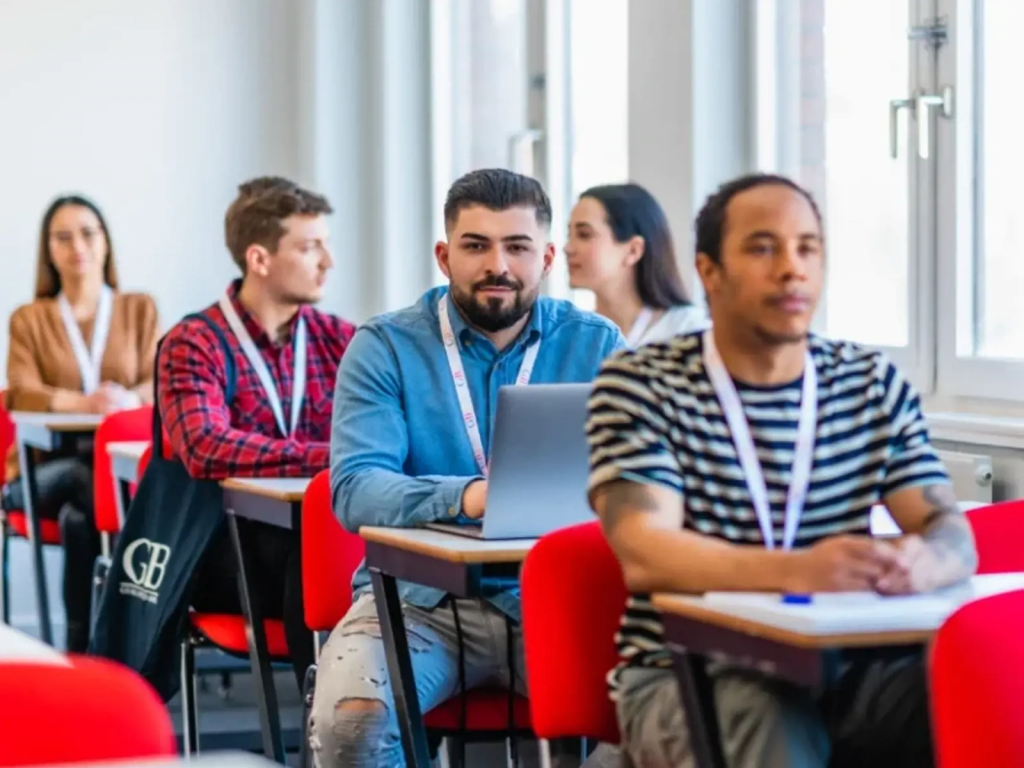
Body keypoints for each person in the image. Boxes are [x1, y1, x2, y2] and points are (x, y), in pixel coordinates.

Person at [586, 173, 978, 768]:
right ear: (709, 272)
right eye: (763, 248)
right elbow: (646, 552)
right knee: (765, 705)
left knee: (985, 685)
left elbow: (946, 524)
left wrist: (927, 562)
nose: (792, 269)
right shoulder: (641, 384)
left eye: (807, 247)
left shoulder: (869, 383)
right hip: (684, 671)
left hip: (844, 664)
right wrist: (800, 570)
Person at [310, 168, 626, 766]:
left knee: (666, 710)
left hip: (559, 600)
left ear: (548, 256)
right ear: (443, 255)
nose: (497, 265)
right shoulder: (386, 347)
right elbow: (355, 488)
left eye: (517, 247)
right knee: (353, 719)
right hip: (417, 604)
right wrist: (472, 496)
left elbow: (641, 480)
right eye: (476, 246)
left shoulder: (598, 345)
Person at [156, 176, 356, 690]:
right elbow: (205, 447)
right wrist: (331, 456)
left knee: (363, 558)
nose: (327, 262)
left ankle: (363, 718)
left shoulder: (343, 340)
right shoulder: (192, 342)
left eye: (326, 246)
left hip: (311, 531)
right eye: (310, 248)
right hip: (219, 543)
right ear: (259, 259)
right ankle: (325, 723)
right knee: (309, 559)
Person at [2, 194, 160, 652]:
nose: (78, 246)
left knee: (79, 519)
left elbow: (160, 381)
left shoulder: (139, 310)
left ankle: (84, 653)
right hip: (42, 472)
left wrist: (128, 398)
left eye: (88, 233)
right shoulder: (30, 318)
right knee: (78, 478)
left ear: (106, 242)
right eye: (63, 236)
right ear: (48, 249)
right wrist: (84, 402)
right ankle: (129, 633)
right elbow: (21, 390)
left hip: (114, 470)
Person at [566, 182, 707, 346]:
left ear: (633, 250)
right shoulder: (574, 335)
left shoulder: (688, 329)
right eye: (569, 235)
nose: (568, 248)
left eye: (584, 235)